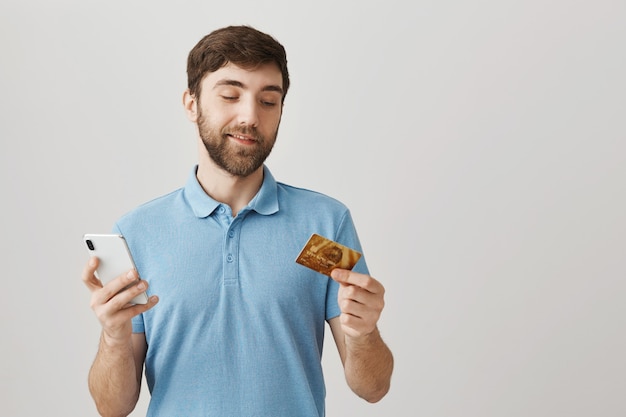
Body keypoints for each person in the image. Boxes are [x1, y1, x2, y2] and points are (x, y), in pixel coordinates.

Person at [82, 25, 393, 417]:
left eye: (268, 101)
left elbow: (373, 388)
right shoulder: (138, 234)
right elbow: (112, 407)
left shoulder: (322, 229)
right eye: (230, 95)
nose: (250, 116)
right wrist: (113, 336)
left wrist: (364, 333)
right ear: (191, 103)